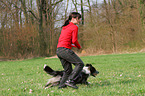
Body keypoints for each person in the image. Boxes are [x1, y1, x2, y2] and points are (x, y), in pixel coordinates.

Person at [56, 12, 84, 89]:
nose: (80, 20)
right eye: (79, 18)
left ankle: (61, 86)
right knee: (80, 64)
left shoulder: (65, 27)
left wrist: (73, 45)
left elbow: (66, 41)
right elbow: (74, 40)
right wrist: (79, 47)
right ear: (74, 19)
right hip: (65, 50)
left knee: (68, 70)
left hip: (59, 50)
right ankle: (70, 81)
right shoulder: (74, 27)